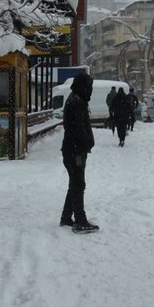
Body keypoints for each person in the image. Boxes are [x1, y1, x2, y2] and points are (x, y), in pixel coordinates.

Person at [60, 73, 99, 233]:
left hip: (73, 149)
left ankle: (67, 217)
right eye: (89, 86)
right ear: (83, 86)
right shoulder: (77, 102)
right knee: (78, 184)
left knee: (74, 183)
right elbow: (78, 129)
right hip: (75, 151)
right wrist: (88, 142)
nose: (90, 90)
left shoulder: (75, 99)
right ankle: (80, 220)